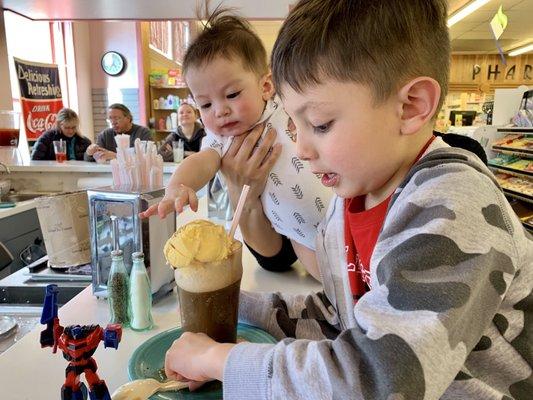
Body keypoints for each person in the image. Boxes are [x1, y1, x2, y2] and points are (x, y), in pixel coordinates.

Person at [163, 1, 533, 399]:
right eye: (294, 124)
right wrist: (224, 305)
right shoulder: (349, 202)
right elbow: (341, 319)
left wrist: (219, 361)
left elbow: (379, 378)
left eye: (320, 124)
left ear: (411, 106)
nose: (301, 148)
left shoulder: (454, 204)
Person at [142, 11, 332, 279]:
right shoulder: (221, 141)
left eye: (232, 94)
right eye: (206, 104)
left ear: (266, 86)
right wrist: (177, 187)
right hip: (297, 235)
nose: (220, 111)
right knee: (330, 284)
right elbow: (200, 162)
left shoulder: (286, 108)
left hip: (338, 207)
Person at [85, 103, 152, 162]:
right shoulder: (105, 135)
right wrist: (89, 153)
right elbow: (90, 158)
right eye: (110, 118)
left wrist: (116, 156)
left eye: (117, 118)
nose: (113, 122)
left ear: (128, 118)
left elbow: (147, 157)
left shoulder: (143, 132)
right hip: (109, 173)